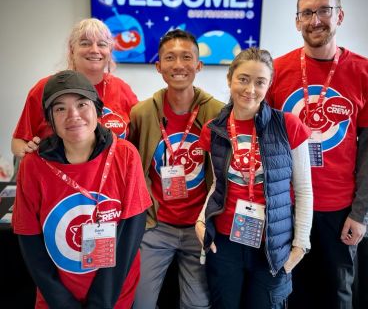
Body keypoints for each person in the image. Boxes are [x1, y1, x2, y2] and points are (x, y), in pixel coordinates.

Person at [267, 0, 368, 309]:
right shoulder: (276, 71)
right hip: (286, 207)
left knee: (335, 297)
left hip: (338, 212)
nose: (315, 20)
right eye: (307, 13)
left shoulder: (367, 72)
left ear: (340, 16)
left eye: (324, 10)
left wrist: (361, 214)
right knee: (285, 294)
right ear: (297, 21)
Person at [12, 70, 152, 308]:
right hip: (56, 296)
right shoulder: (34, 165)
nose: (73, 116)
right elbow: (29, 237)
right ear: (50, 118)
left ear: (98, 110)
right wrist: (61, 301)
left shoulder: (125, 155)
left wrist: (101, 301)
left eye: (81, 104)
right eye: (60, 109)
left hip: (113, 293)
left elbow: (131, 232)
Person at [195, 47, 313, 309]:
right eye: (243, 79)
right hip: (225, 241)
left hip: (272, 246)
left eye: (260, 82)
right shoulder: (213, 129)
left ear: (269, 85)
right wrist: (201, 222)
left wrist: (300, 246)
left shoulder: (288, 125)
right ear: (230, 79)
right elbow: (217, 184)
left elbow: (304, 190)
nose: (250, 89)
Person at [129, 29, 224, 309]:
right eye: (170, 58)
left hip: (199, 226)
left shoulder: (218, 113)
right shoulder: (142, 114)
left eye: (186, 57)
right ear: (158, 67)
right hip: (156, 226)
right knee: (139, 303)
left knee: (198, 305)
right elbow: (133, 168)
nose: (178, 65)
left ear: (199, 65)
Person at [11, 18, 138, 158]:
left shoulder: (122, 89)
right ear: (72, 50)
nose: (94, 50)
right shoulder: (45, 88)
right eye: (85, 43)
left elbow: (138, 140)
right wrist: (28, 154)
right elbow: (18, 142)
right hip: (57, 176)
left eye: (102, 44)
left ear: (110, 51)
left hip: (111, 177)